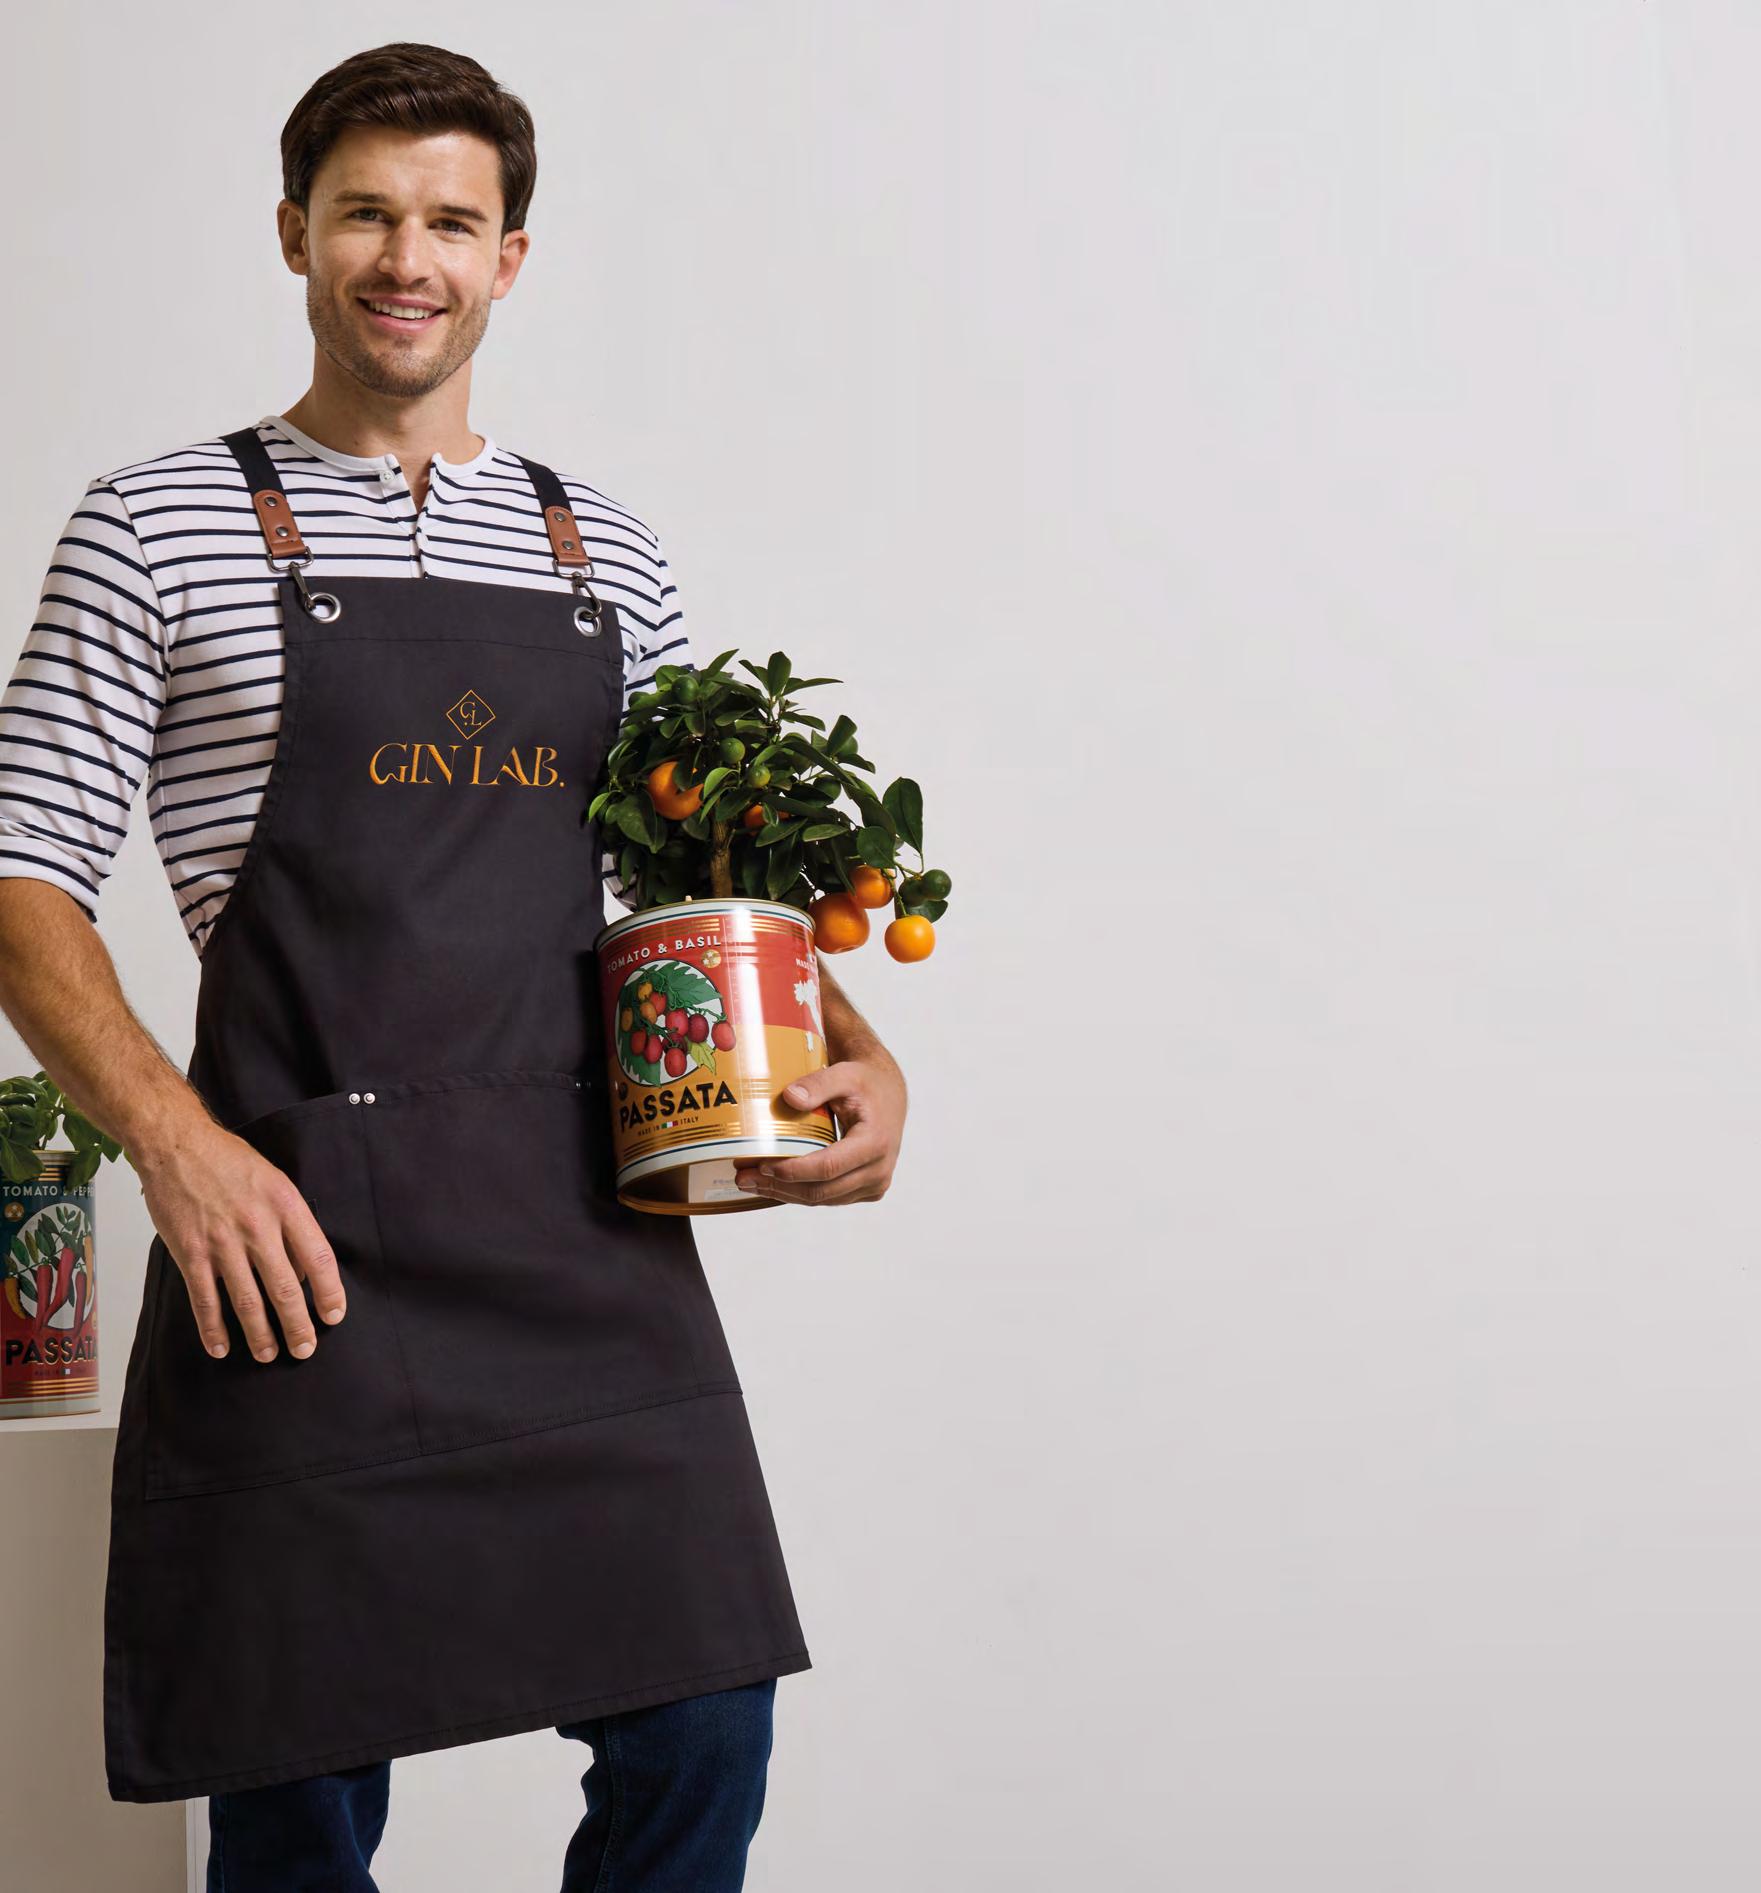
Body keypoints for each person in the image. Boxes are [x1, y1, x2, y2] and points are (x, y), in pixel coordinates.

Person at [0, 41, 908, 1893]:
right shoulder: (153, 522)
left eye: (449, 221)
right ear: (294, 234)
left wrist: (852, 1041)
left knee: (700, 1720)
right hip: (294, 1240)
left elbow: (695, 875)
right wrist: (180, 1151)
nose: (405, 258)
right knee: (295, 1780)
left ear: (510, 257)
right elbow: (21, 875)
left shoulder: (607, 552)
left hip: (576, 1230)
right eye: (365, 215)